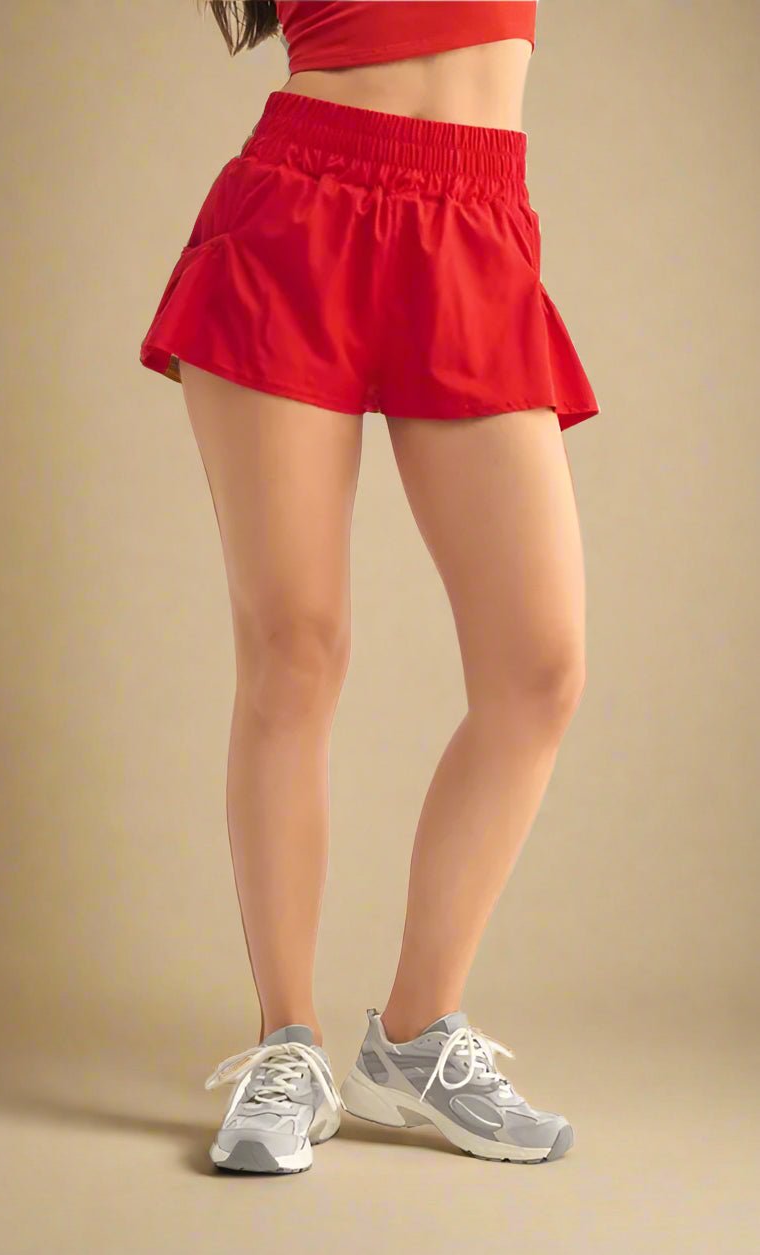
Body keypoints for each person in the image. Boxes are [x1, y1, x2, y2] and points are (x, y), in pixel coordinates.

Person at [140, 0, 598, 1174]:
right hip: (299, 210)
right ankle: (284, 1042)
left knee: (537, 670)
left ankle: (413, 1037)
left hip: (475, 221)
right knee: (294, 648)